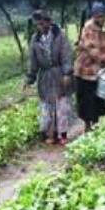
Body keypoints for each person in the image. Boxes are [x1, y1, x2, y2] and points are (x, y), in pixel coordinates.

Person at [24, 10, 74, 145]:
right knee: (47, 106)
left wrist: (67, 73)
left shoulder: (60, 35)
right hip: (45, 76)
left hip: (59, 74)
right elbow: (33, 61)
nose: (41, 27)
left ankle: (62, 134)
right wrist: (29, 78)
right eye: (38, 24)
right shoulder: (35, 39)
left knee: (61, 105)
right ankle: (50, 133)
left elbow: (66, 55)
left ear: (49, 22)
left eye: (43, 23)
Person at [74, 2, 105, 132]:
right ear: (94, 16)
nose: (101, 19)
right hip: (85, 69)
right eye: (99, 16)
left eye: (103, 16)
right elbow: (90, 47)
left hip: (99, 70)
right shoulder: (88, 28)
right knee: (86, 99)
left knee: (98, 98)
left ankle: (96, 123)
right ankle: (87, 125)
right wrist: (102, 59)